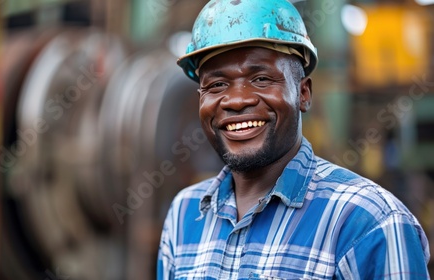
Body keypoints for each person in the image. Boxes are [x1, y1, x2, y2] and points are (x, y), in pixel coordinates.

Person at [157, 0, 430, 279]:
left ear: (303, 94)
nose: (237, 101)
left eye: (262, 79)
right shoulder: (184, 216)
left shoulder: (370, 223)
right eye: (217, 85)